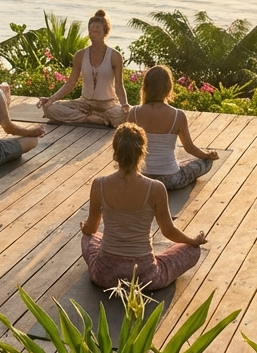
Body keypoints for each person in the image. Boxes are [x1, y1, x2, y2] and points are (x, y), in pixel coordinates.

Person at [81, 124, 207, 290]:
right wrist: (193, 241)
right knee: (193, 251)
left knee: (89, 238)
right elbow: (168, 231)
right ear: (142, 152)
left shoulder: (99, 184)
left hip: (105, 274)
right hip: (144, 276)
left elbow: (91, 228)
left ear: (115, 152)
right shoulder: (155, 188)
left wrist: (85, 228)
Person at [127, 65, 218, 190]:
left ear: (145, 87)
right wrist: (208, 155)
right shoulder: (178, 115)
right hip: (171, 179)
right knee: (205, 162)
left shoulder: (134, 113)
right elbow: (189, 148)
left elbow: (127, 146)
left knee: (181, 161)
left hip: (142, 178)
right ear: (168, 88)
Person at [40, 10, 130, 126]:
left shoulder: (115, 56)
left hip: (108, 104)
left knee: (126, 114)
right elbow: (71, 82)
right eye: (92, 30)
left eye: (98, 30)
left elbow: (119, 85)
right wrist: (51, 99)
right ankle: (92, 119)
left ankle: (91, 117)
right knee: (50, 108)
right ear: (88, 32)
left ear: (105, 32)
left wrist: (124, 104)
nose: (94, 33)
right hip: (84, 103)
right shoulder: (80, 55)